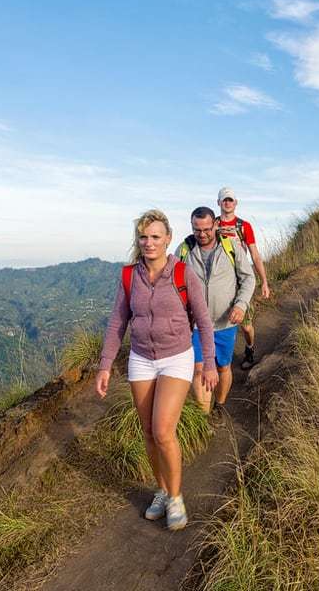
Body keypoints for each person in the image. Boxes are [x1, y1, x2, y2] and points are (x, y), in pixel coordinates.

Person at [96, 209, 219, 532]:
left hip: (176, 357)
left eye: (155, 236)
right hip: (140, 358)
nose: (148, 242)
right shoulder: (129, 276)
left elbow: (204, 321)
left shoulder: (182, 274)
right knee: (149, 433)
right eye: (143, 236)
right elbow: (117, 322)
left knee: (163, 431)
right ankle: (162, 490)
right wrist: (105, 365)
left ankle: (176, 498)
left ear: (168, 239)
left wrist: (208, 364)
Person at [176, 206, 255, 422]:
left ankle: (219, 407)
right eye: (197, 229)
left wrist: (241, 305)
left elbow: (249, 278)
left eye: (207, 229)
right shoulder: (184, 250)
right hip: (195, 326)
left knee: (222, 367)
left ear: (216, 225)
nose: (202, 234)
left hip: (225, 323)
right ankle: (204, 418)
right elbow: (173, 284)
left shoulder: (231, 247)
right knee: (199, 370)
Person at [215, 187, 270, 369]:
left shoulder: (244, 226)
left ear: (236, 203)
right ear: (218, 203)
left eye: (230, 200)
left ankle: (249, 348)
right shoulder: (212, 225)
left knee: (246, 326)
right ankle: (217, 358)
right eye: (224, 200)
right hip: (219, 280)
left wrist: (264, 282)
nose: (227, 203)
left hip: (240, 279)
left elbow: (254, 255)